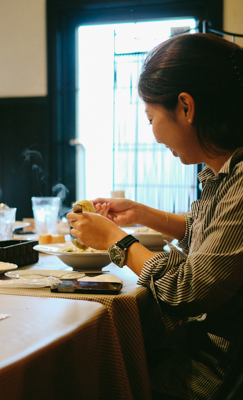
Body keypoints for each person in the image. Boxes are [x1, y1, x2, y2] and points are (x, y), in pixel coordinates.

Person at [67, 33, 243, 400]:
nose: (152, 134)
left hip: (217, 374)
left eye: (150, 118)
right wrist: (145, 215)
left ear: (185, 107)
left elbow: (189, 290)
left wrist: (115, 241)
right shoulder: (223, 172)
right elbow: (214, 237)